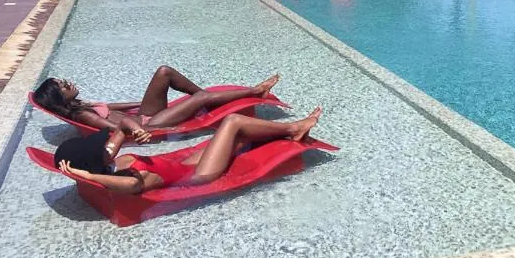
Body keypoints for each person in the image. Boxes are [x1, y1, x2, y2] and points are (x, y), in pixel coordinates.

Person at [54, 108, 323, 193]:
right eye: (96, 149)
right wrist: (87, 177)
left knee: (238, 139)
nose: (103, 146)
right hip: (200, 174)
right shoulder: (128, 179)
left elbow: (121, 130)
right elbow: (126, 185)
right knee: (232, 122)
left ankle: (288, 133)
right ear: (92, 165)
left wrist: (135, 131)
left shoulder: (108, 159)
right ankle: (293, 129)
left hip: (187, 163)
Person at [33, 65, 280, 143]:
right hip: (149, 125)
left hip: (144, 115)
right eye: (65, 86)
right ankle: (255, 91)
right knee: (201, 99)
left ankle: (206, 97)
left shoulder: (82, 105)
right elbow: (115, 128)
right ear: (59, 98)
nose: (69, 83)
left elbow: (114, 108)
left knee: (164, 73)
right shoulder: (82, 116)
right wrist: (139, 126)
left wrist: (147, 101)